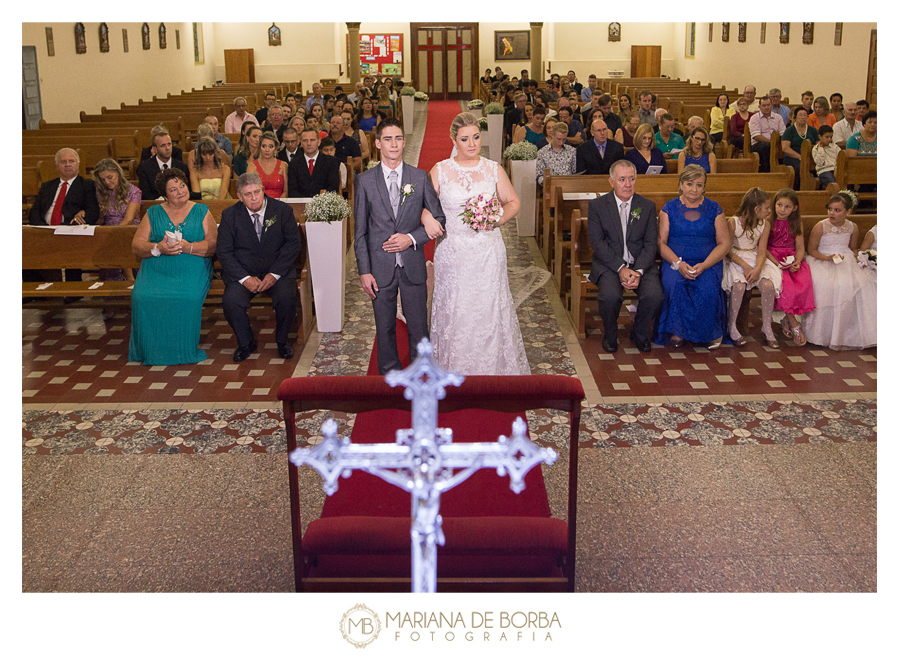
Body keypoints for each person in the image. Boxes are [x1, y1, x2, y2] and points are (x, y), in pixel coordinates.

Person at [428, 112, 528, 375]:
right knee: (456, 309)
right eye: (464, 139)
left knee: (488, 308)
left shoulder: (493, 168)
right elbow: (424, 206)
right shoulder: (440, 170)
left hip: (487, 250)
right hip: (453, 251)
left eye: (475, 137)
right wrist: (428, 219)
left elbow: (513, 202)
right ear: (454, 140)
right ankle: (453, 369)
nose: (471, 144)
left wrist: (496, 219)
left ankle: (492, 368)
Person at [354, 118, 446, 375]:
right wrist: (364, 271)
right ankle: (389, 375)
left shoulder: (419, 176)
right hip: (379, 267)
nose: (393, 144)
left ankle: (421, 373)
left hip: (412, 265)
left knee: (418, 325)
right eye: (387, 139)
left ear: (404, 142)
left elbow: (438, 219)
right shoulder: (364, 181)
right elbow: (359, 233)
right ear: (377, 143)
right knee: (384, 326)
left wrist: (411, 238)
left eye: (397, 138)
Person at [128, 167, 217, 366]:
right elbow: (136, 245)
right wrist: (157, 247)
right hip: (157, 266)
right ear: (165, 195)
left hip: (192, 265)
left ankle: (181, 349)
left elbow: (212, 246)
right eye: (173, 190)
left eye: (182, 186)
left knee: (187, 296)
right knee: (142, 296)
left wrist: (189, 246)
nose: (181, 191)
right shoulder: (153, 212)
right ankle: (150, 349)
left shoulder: (201, 211)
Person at [216, 173, 301, 361]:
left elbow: (293, 244)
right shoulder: (230, 216)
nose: (254, 198)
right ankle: (246, 342)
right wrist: (244, 278)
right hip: (244, 273)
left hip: (277, 270)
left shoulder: (282, 211)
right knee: (231, 301)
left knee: (287, 298)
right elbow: (224, 252)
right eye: (248, 194)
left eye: (257, 192)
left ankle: (282, 342)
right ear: (239, 196)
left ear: (263, 190)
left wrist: (275, 273)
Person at [588, 160, 663, 353]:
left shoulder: (646, 206)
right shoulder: (597, 206)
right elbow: (598, 243)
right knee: (610, 296)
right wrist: (621, 268)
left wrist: (637, 271)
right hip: (610, 264)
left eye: (631, 179)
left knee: (655, 295)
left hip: (641, 265)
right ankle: (610, 335)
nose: (627, 184)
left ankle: (639, 333)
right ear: (611, 181)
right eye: (622, 179)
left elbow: (650, 243)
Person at [654, 165, 730, 348]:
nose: (694, 189)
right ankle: (677, 331)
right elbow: (661, 243)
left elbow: (725, 243)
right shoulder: (669, 208)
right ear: (680, 185)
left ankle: (708, 332)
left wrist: (704, 265)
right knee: (675, 284)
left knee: (707, 287)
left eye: (698, 185)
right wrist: (679, 263)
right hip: (675, 261)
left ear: (704, 186)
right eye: (689, 184)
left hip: (708, 262)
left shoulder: (714, 208)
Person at [801, 192, 876, 350]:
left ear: (848, 212)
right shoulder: (821, 226)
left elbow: (853, 248)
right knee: (827, 285)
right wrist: (827, 258)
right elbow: (812, 249)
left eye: (837, 210)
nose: (832, 213)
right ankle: (821, 334)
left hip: (845, 259)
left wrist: (858, 260)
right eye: (830, 209)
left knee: (860, 284)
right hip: (822, 259)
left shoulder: (852, 227)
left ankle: (847, 333)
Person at [722, 188, 782, 348]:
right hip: (736, 259)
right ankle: (732, 325)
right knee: (739, 286)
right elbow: (727, 251)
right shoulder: (733, 222)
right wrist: (745, 266)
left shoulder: (764, 224)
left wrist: (757, 269)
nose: (770, 210)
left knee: (768, 286)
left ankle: (767, 326)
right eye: (767, 207)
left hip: (756, 258)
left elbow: (762, 250)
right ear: (756, 209)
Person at [765, 188, 815, 346]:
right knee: (784, 286)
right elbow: (763, 247)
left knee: (803, 281)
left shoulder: (795, 222)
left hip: (791, 257)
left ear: (794, 208)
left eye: (787, 207)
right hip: (772, 258)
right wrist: (776, 263)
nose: (782, 209)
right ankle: (794, 325)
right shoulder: (768, 221)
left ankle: (787, 319)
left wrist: (798, 261)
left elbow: (800, 247)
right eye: (779, 205)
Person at [90, 158, 141, 281]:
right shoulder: (100, 192)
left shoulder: (133, 191)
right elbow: (100, 219)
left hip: (129, 230)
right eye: (103, 179)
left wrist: (113, 234)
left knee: (121, 240)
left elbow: (129, 219)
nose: (107, 182)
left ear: (117, 173)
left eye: (109, 177)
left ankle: (130, 279)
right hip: (107, 231)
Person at [137, 129, 196, 200]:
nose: (167, 148)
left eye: (169, 144)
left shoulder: (182, 167)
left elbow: (187, 191)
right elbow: (145, 195)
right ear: (155, 149)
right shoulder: (145, 168)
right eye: (163, 145)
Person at [286, 127, 341, 197]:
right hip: (301, 204)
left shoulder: (331, 162)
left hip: (323, 204)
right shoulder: (293, 164)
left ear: (318, 142)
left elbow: (333, 188)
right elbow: (293, 191)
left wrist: (316, 202)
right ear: (301, 143)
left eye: (312, 140)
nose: (309, 143)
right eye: (305, 140)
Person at [781, 107, 818, 189]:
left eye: (805, 115)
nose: (803, 117)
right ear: (795, 117)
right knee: (799, 167)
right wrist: (800, 157)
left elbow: (819, 145)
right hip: (793, 157)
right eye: (800, 115)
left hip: (811, 157)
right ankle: (798, 190)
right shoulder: (789, 131)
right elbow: (785, 148)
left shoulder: (813, 130)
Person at [749, 96, 785, 173]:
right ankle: (768, 171)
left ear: (771, 105)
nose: (766, 107)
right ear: (759, 107)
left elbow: (783, 133)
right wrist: (772, 142)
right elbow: (756, 136)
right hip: (759, 144)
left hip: (776, 143)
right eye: (764, 105)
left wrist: (777, 143)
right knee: (766, 146)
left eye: (768, 105)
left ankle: (782, 170)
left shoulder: (778, 117)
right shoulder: (754, 118)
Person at [247, 131, 287, 199]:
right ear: (259, 147)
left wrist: (278, 205)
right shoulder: (251, 167)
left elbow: (286, 192)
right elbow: (248, 191)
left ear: (275, 149)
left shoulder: (283, 165)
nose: (267, 150)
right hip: (258, 205)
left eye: (271, 146)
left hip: (279, 205)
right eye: (264, 146)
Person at [535, 121, 577, 185]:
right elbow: (539, 175)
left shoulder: (572, 151)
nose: (561, 143)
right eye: (559, 139)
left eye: (564, 139)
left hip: (569, 187)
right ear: (552, 135)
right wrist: (548, 182)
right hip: (550, 188)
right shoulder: (542, 153)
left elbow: (575, 173)